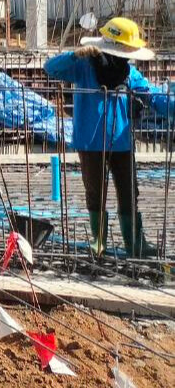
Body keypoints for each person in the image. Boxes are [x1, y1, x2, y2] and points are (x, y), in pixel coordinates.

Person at [45, 17, 175, 257]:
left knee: (128, 191)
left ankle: (135, 242)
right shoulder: (84, 66)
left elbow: (152, 95)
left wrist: (171, 105)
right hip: (90, 141)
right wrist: (74, 55)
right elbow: (51, 68)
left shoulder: (127, 72)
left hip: (121, 142)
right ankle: (99, 241)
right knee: (96, 192)